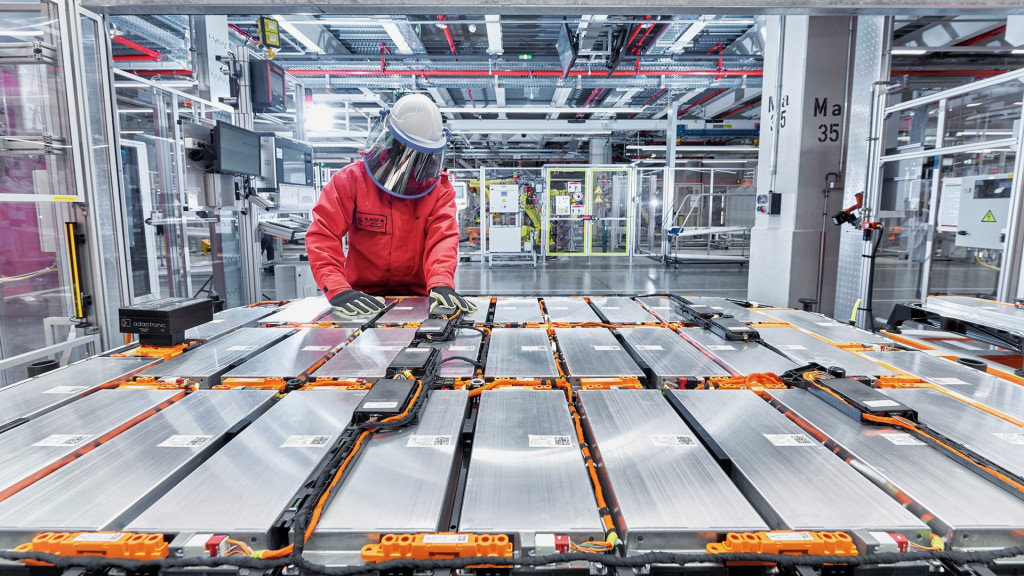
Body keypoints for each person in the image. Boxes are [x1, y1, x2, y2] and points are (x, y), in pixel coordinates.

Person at [305, 94, 477, 317]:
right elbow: (323, 235)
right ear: (391, 140)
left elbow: (442, 239)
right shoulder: (350, 181)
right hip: (361, 299)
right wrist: (336, 287)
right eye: (407, 151)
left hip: (420, 298)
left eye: (423, 155)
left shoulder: (439, 190)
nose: (414, 162)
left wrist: (441, 280)